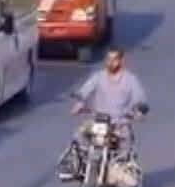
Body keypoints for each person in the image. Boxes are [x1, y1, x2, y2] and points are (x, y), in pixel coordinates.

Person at [58, 48, 148, 180]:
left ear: (122, 61)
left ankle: (121, 171)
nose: (110, 62)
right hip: (98, 121)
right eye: (108, 59)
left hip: (119, 123)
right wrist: (80, 102)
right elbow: (85, 91)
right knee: (79, 136)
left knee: (127, 144)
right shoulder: (98, 77)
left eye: (114, 59)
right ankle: (77, 166)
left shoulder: (130, 80)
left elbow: (140, 99)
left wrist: (139, 111)